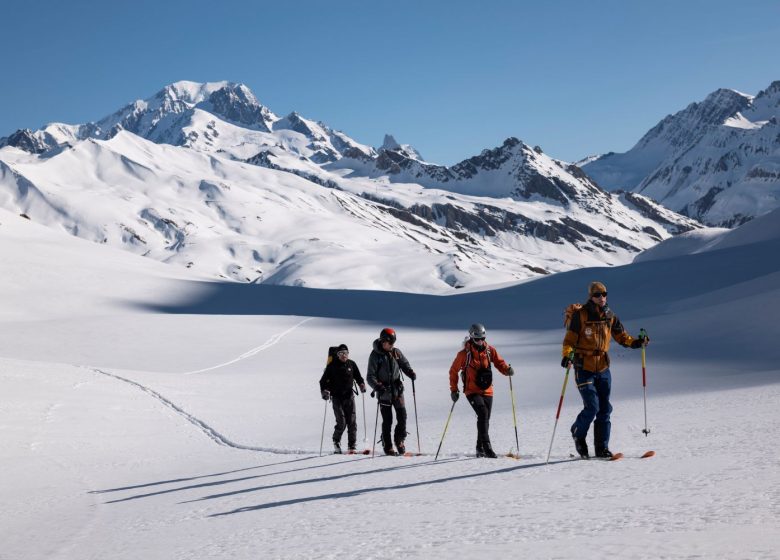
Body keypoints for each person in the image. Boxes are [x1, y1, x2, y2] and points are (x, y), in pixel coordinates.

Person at [562, 281, 650, 459]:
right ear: (591, 297)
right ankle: (578, 433)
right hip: (583, 366)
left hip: (603, 367)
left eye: (604, 294)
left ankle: (602, 448)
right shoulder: (581, 316)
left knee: (604, 408)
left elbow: (621, 336)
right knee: (592, 407)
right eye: (597, 295)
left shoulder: (610, 315)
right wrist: (567, 355)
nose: (601, 298)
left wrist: (636, 343)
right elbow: (569, 341)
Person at [448, 323, 514, 458]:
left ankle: (479, 448)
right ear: (472, 338)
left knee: (485, 419)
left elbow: (499, 362)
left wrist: (506, 369)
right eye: (477, 339)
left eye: (483, 338)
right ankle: (487, 447)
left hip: (487, 390)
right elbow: (453, 371)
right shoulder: (463, 354)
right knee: (483, 414)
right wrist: (454, 390)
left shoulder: (490, 350)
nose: (481, 341)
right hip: (471, 390)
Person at [366, 328, 417, 456]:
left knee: (402, 417)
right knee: (387, 420)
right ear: (383, 341)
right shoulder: (375, 355)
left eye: (393, 343)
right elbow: (370, 376)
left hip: (397, 390)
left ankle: (399, 440)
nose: (392, 345)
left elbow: (404, 364)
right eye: (390, 343)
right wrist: (377, 386)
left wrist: (410, 372)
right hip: (384, 392)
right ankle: (387, 445)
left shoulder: (396, 352)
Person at [319, 344, 366, 454]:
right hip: (337, 398)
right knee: (342, 422)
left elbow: (358, 377)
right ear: (338, 355)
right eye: (341, 353)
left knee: (352, 422)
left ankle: (352, 445)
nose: (344, 355)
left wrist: (362, 384)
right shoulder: (332, 366)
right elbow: (323, 381)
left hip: (349, 397)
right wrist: (324, 391)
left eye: (346, 353)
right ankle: (336, 441)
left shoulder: (352, 364)